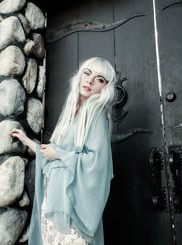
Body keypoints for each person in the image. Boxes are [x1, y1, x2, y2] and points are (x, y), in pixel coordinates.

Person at [10, 57, 117, 245]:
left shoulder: (96, 114)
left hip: (71, 205)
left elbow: (97, 163)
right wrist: (27, 141)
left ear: (105, 87)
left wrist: (59, 154)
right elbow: (52, 153)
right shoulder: (71, 114)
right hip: (53, 198)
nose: (90, 81)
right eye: (87, 73)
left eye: (99, 79)